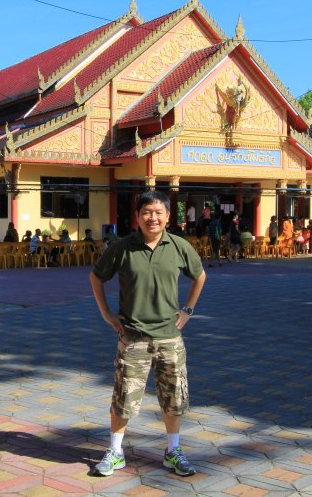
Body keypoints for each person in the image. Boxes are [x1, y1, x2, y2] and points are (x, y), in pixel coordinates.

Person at [89, 190, 206, 477]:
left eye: (158, 213)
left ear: (168, 217)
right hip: (133, 335)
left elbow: (200, 275)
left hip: (170, 336)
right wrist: (106, 313)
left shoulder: (179, 246)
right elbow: (96, 276)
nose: (152, 218)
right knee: (124, 397)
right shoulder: (122, 247)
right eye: (146, 213)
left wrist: (187, 310)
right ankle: (115, 451)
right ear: (138, 217)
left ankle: (173, 450)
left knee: (174, 397)